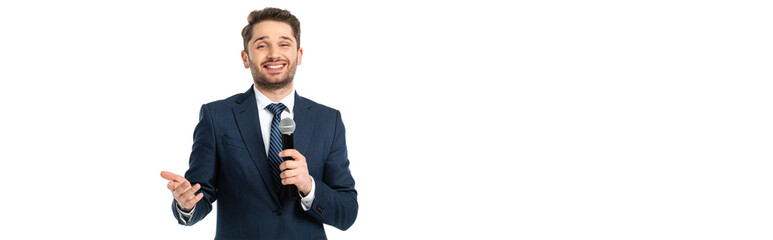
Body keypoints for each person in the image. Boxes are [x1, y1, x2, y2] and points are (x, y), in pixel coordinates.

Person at [160, 7, 358, 239]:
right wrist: (187, 205)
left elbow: (347, 213)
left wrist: (309, 186)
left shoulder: (328, 120)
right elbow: (199, 193)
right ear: (246, 58)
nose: (274, 54)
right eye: (262, 45)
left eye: (284, 44)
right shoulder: (217, 116)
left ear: (299, 55)